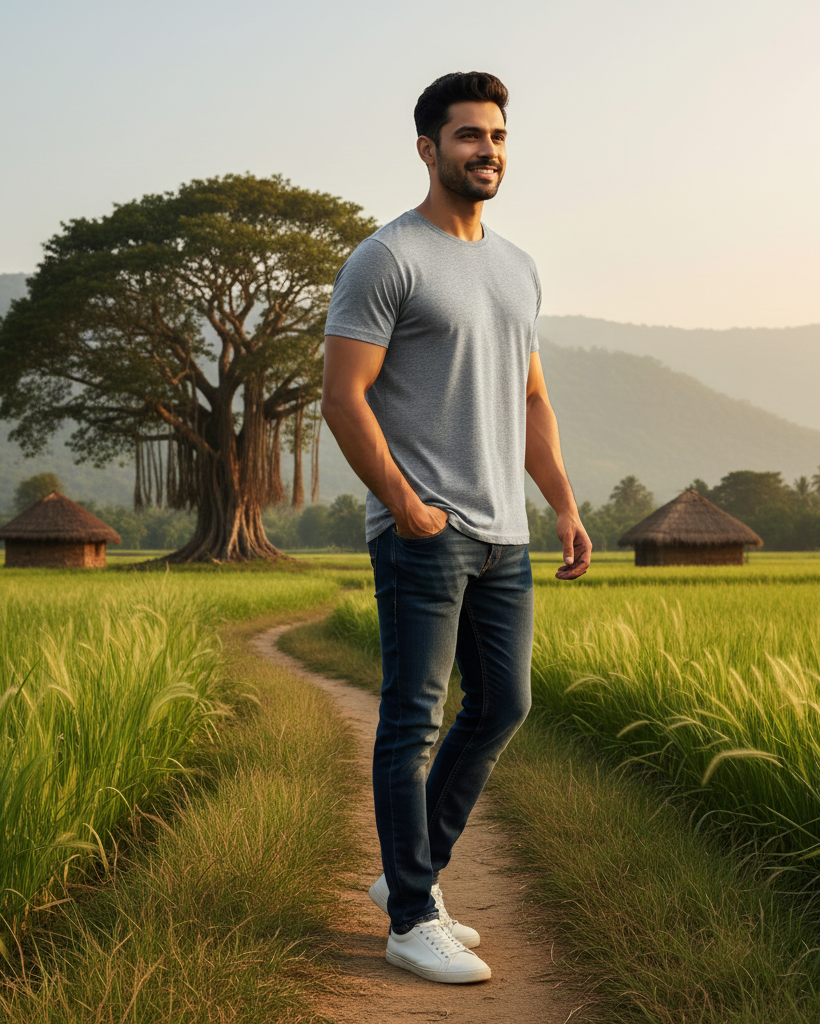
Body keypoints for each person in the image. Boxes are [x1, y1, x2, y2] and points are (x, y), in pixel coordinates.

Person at [321, 71, 592, 985]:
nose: (488, 151)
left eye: (499, 136)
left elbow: (531, 398)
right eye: (470, 135)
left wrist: (561, 503)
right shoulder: (386, 257)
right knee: (413, 720)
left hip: (506, 535)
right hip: (424, 533)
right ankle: (408, 919)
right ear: (428, 148)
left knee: (505, 704)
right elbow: (342, 396)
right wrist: (402, 502)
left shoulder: (517, 266)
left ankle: (412, 878)